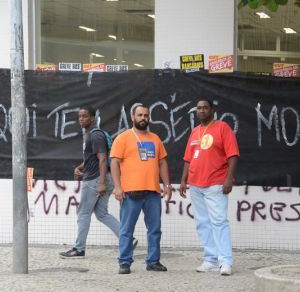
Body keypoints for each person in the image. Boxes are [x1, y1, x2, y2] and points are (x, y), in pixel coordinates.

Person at [59, 106, 130, 258]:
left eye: (84, 116)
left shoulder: (95, 135)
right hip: (101, 178)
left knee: (83, 213)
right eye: (79, 116)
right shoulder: (92, 135)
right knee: (102, 213)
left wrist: (102, 182)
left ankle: (79, 249)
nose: (81, 119)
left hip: (95, 180)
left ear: (92, 118)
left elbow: (103, 158)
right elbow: (92, 158)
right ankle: (127, 240)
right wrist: (80, 167)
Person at [180, 99, 239, 276]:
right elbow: (188, 159)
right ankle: (210, 260)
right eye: (199, 108)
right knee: (202, 223)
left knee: (219, 221)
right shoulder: (195, 131)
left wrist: (229, 178)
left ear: (212, 110)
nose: (202, 111)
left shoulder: (222, 127)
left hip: (216, 183)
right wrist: (183, 180)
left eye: (205, 108)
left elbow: (233, 154)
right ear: (195, 112)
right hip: (195, 184)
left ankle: (225, 261)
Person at [110, 105, 172, 274]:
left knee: (154, 229)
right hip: (130, 193)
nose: (143, 118)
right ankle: (124, 262)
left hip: (152, 192)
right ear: (132, 117)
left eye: (146, 115)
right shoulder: (123, 138)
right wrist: (117, 187)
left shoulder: (155, 139)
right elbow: (114, 162)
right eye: (140, 115)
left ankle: (153, 261)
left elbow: (162, 162)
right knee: (126, 230)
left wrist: (167, 185)